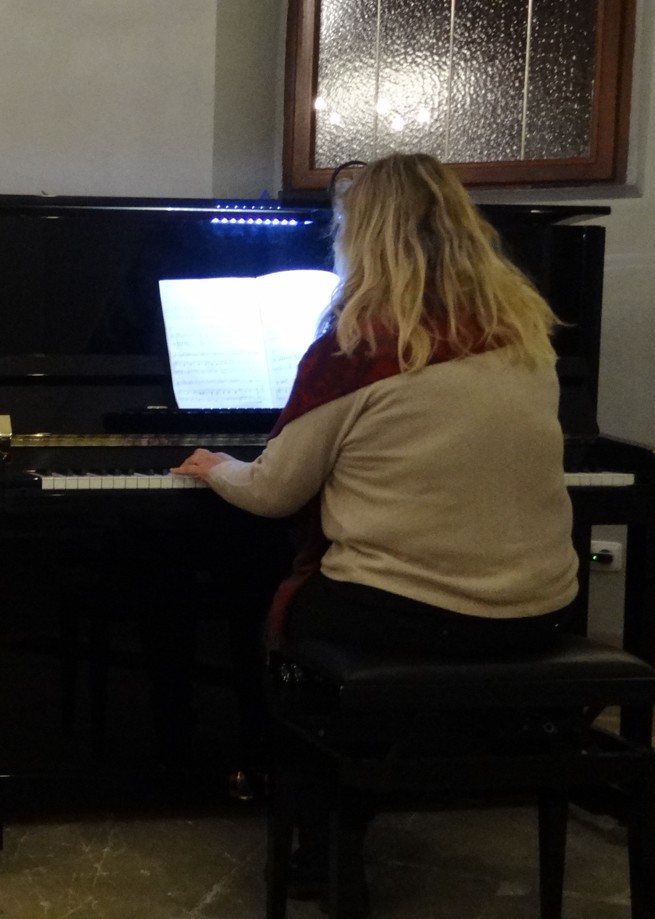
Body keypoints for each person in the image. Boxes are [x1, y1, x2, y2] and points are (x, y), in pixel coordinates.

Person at [172, 152, 578, 914]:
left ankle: (321, 844)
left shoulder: (354, 349)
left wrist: (217, 464)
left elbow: (273, 491)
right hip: (540, 610)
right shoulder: (523, 336)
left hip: (410, 616)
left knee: (280, 614)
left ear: (362, 237)